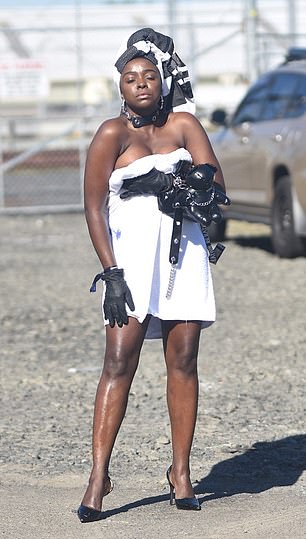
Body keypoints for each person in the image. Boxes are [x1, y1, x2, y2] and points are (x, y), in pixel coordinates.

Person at [77, 27, 228, 523]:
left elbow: (215, 185)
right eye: (129, 78)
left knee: (183, 359)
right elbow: (94, 207)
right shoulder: (110, 134)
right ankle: (99, 476)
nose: (140, 84)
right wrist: (111, 272)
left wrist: (191, 183)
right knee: (118, 362)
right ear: (119, 88)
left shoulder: (185, 125)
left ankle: (180, 473)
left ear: (162, 81)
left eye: (147, 76)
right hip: (132, 263)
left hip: (184, 257)